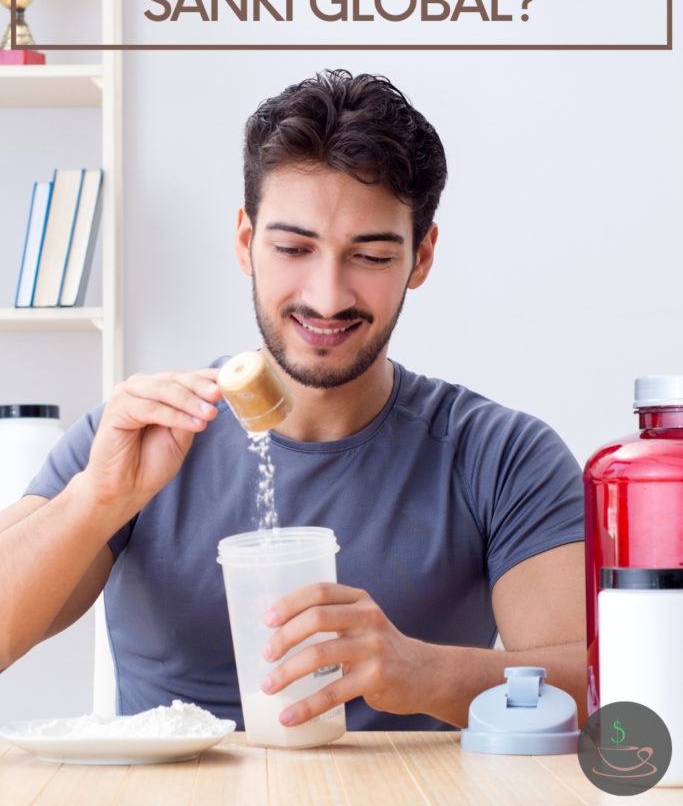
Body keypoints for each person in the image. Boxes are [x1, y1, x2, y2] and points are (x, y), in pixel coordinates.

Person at [0, 69, 587, 732]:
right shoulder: (139, 435)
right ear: (247, 242)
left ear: (420, 258)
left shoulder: (498, 456)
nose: (327, 295)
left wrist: (423, 673)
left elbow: (600, 689)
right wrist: (92, 503)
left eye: (369, 255)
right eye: (293, 248)